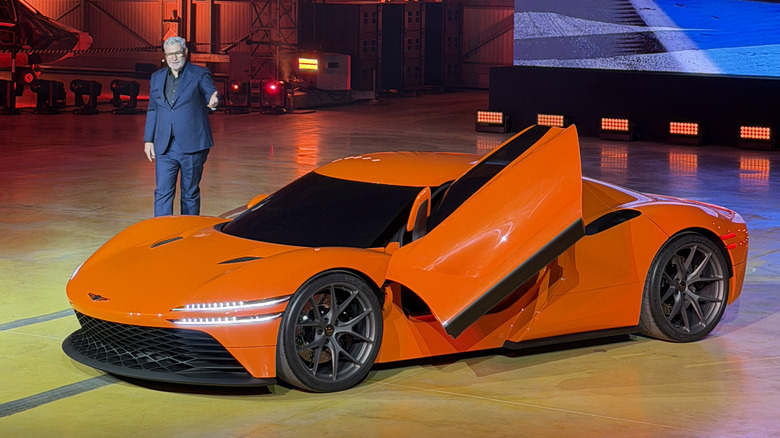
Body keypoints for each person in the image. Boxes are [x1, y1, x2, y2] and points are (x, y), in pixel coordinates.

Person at [143, 36, 219, 216]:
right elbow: (153, 109)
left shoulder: (200, 74)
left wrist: (213, 101)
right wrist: (148, 140)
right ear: (165, 56)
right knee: (162, 193)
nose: (174, 58)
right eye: (170, 54)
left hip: (192, 145)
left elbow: (210, 91)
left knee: (189, 194)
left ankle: (187, 235)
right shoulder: (157, 78)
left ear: (185, 52)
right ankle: (163, 234)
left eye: (177, 53)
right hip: (165, 146)